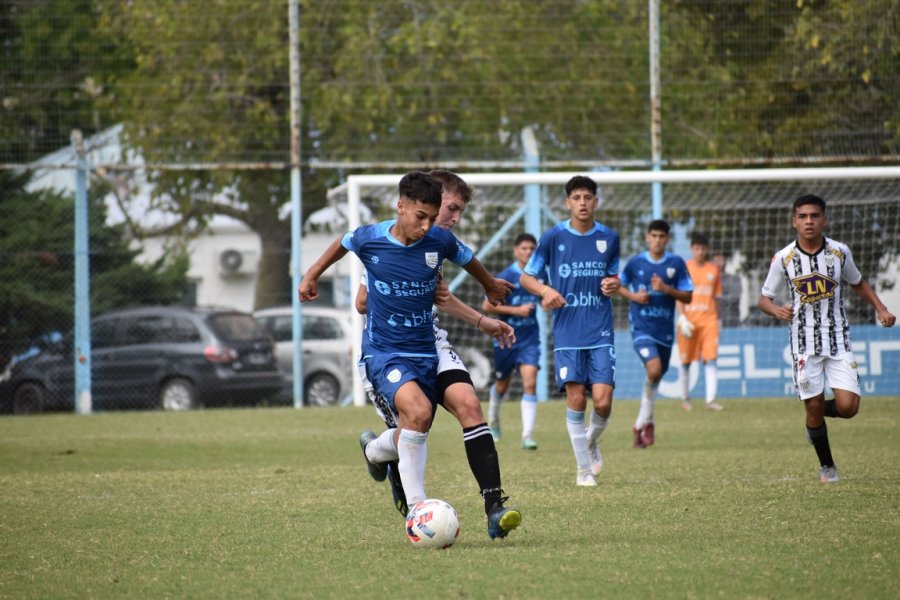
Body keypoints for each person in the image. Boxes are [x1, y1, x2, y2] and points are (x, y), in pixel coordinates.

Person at [298, 171, 518, 540]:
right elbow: (344, 246)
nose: (431, 224)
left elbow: (469, 260)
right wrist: (311, 275)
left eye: (436, 217)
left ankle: (494, 507)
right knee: (417, 415)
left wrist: (490, 289)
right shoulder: (373, 239)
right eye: (425, 216)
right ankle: (417, 508)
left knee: (469, 405)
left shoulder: (438, 242)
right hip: (387, 352)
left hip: (428, 343)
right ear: (401, 207)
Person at [758, 194, 895, 483]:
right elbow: (764, 299)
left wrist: (881, 308)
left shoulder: (839, 252)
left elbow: (857, 282)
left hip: (838, 339)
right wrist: (775, 309)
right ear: (794, 221)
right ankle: (827, 467)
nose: (809, 221)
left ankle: (814, 420)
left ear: (824, 219)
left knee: (848, 407)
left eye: (815, 216)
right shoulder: (784, 258)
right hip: (803, 344)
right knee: (814, 404)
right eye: (803, 216)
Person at [519, 175, 621, 487]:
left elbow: (614, 278)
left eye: (587, 197)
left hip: (600, 328)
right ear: (568, 203)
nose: (582, 203)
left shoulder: (610, 238)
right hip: (566, 332)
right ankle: (582, 471)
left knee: (603, 401)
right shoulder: (552, 238)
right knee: (576, 398)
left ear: (595, 202)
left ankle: (589, 442)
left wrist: (614, 284)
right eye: (576, 197)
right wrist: (545, 291)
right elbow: (527, 278)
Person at [617, 220, 693, 448]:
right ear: (647, 238)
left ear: (667, 239)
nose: (657, 240)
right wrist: (634, 297)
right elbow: (617, 285)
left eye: (662, 236)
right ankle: (645, 422)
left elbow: (688, 296)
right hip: (641, 328)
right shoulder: (636, 263)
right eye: (654, 236)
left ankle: (643, 423)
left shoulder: (676, 263)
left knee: (655, 377)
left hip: (664, 330)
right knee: (654, 369)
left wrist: (666, 289)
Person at [481, 233, 543, 450]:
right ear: (516, 251)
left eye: (532, 249)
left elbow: (545, 298)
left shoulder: (539, 275)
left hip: (530, 338)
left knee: (530, 382)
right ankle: (494, 421)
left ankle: (527, 435)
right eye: (524, 248)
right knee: (502, 384)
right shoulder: (506, 275)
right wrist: (517, 310)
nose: (528, 252)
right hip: (506, 338)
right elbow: (487, 306)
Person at [676, 232, 725, 411]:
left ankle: (710, 400)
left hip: (709, 320)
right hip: (688, 321)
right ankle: (685, 399)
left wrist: (719, 321)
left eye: (703, 248)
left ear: (707, 250)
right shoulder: (684, 268)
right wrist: (681, 318)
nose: (700, 252)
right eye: (697, 248)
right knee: (686, 361)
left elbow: (716, 298)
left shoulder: (714, 270)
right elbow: (679, 297)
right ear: (691, 249)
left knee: (711, 359)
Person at [713, 252, 742, 328]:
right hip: (712, 321)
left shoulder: (734, 279)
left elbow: (735, 298)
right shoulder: (708, 281)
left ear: (725, 262)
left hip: (731, 321)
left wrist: (715, 298)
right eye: (715, 261)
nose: (718, 264)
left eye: (720, 260)